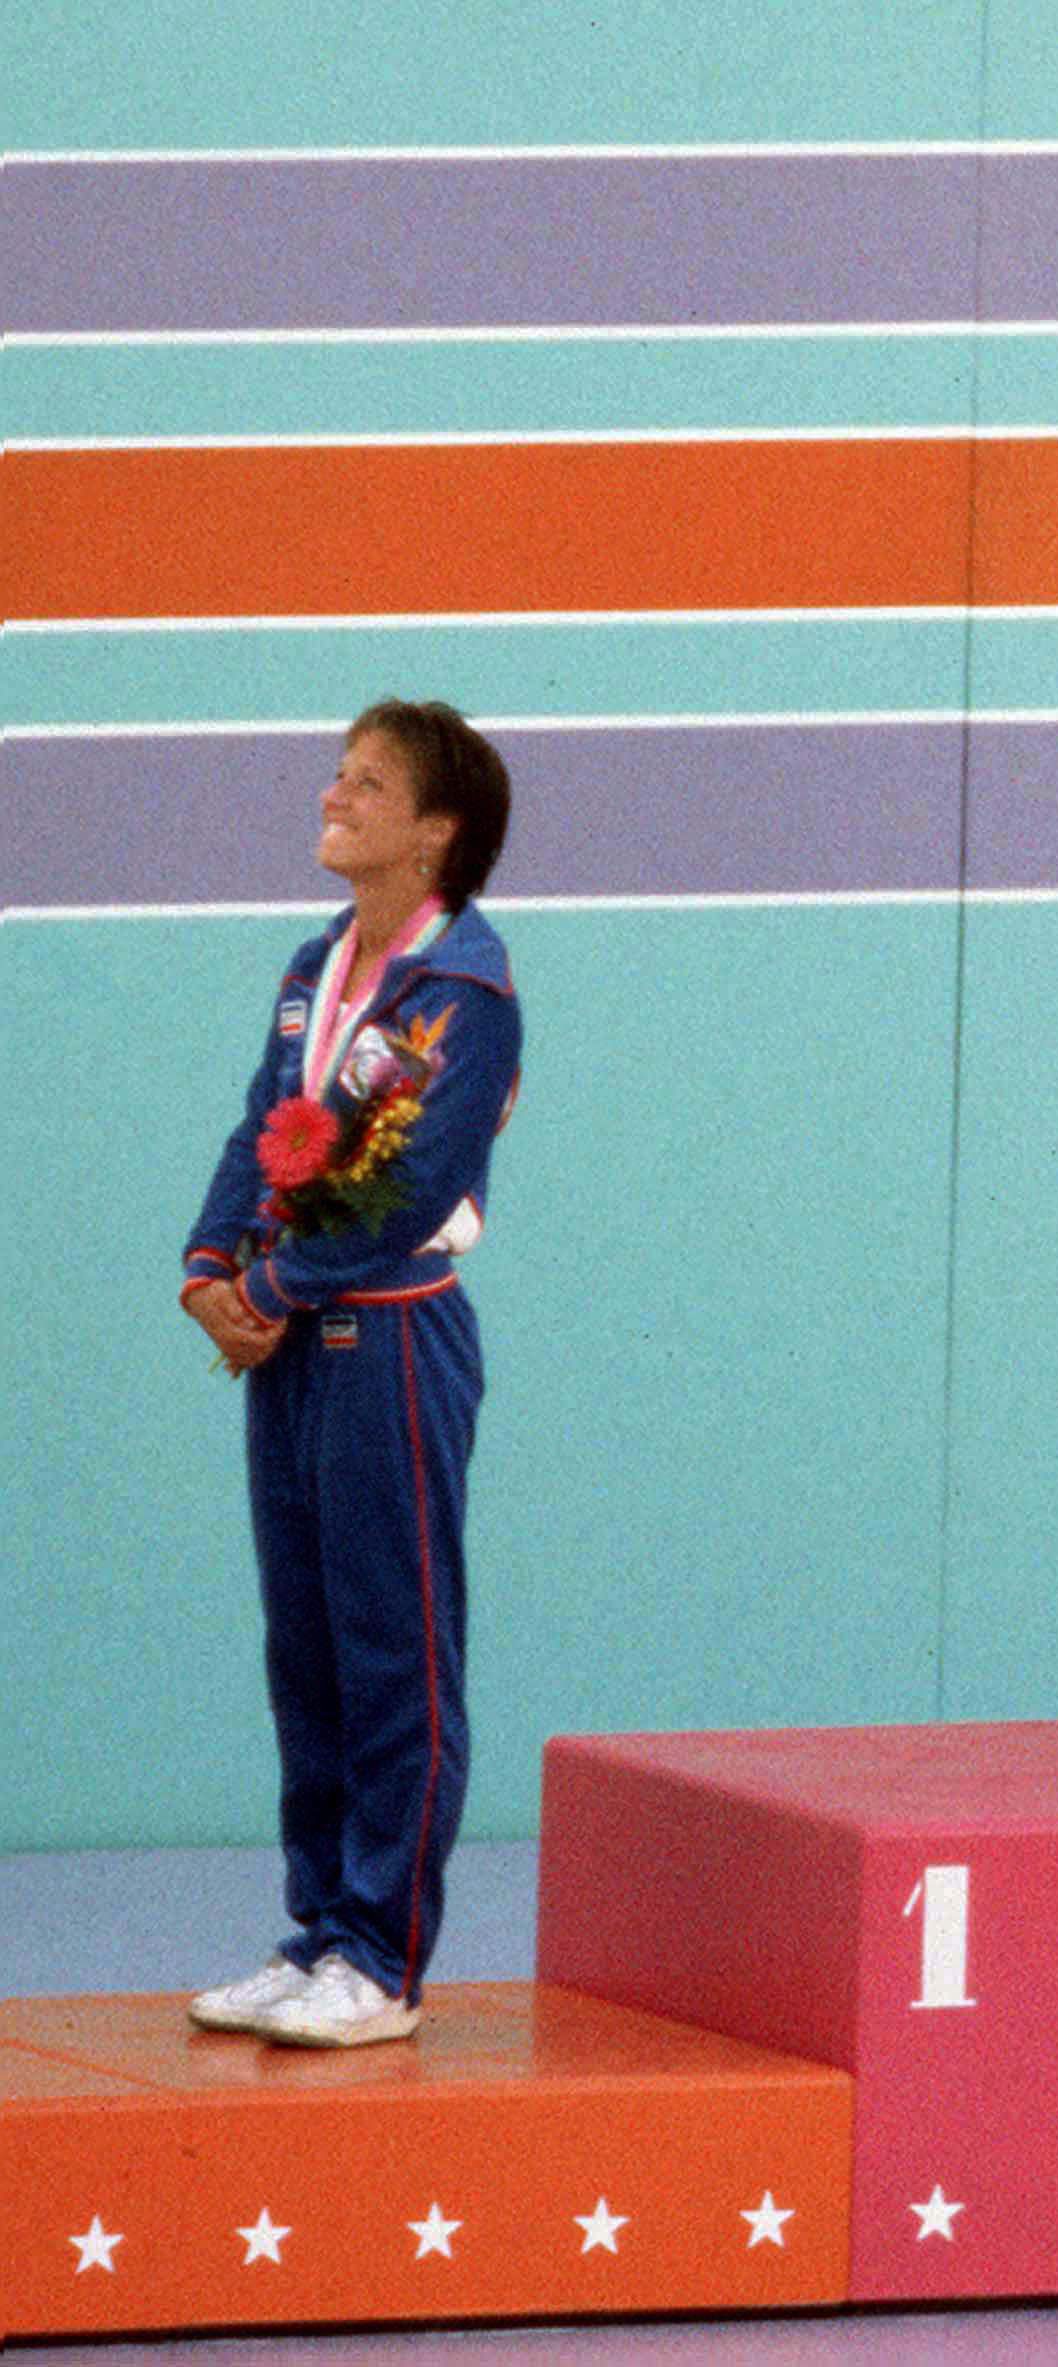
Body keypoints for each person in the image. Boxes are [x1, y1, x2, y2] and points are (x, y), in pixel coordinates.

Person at [180, 700, 520, 2045]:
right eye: (339, 773)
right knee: (308, 1653)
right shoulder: (317, 966)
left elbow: (411, 1186)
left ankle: (382, 1960)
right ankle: (318, 1928)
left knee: (394, 1654)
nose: (335, 795)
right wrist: (210, 1267)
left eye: (368, 782)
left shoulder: (464, 991)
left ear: (435, 831)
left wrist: (268, 1291)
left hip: (390, 1341)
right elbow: (266, 1131)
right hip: (289, 1347)